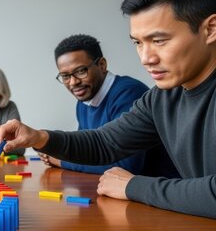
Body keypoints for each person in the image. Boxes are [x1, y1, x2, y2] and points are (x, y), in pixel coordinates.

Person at [0, 0, 216, 219]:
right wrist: (38, 137)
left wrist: (133, 186)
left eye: (159, 40)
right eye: (138, 42)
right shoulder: (161, 98)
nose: (146, 58)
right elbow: (105, 143)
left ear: (210, 29)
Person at [40, 34, 177, 176]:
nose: (73, 82)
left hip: (154, 191)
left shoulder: (130, 93)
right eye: (65, 76)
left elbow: (124, 167)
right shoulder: (84, 100)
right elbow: (86, 151)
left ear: (102, 65)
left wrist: (62, 161)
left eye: (81, 71)